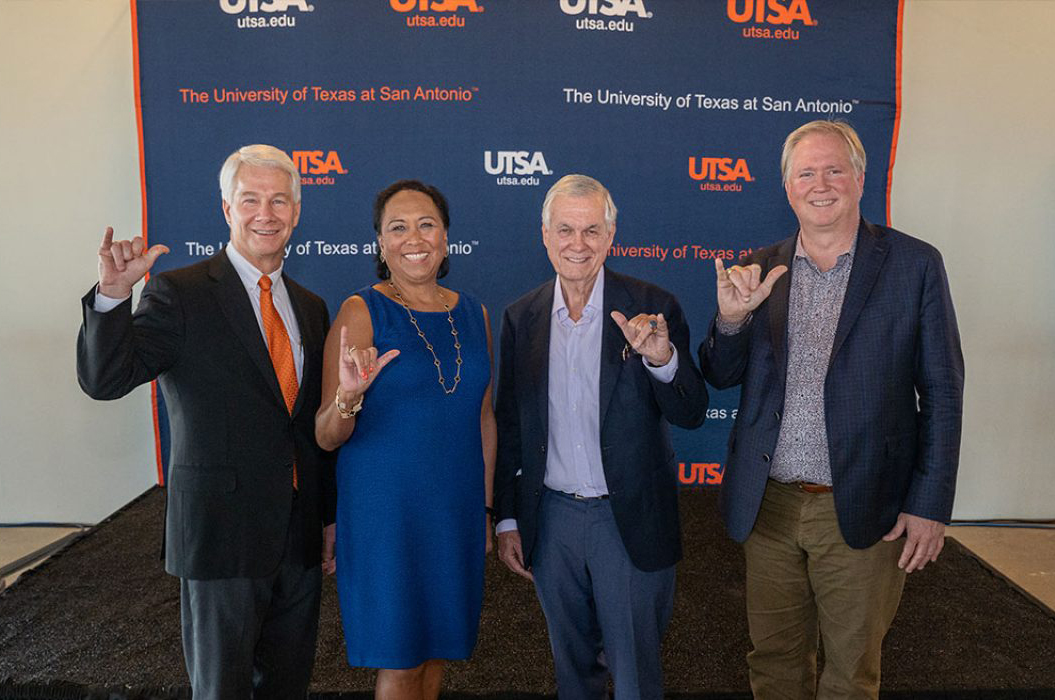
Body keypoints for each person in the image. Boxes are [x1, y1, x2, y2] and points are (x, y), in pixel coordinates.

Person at [699, 119, 964, 698]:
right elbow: (719, 375)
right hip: (768, 506)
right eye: (805, 173)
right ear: (788, 187)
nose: (821, 184)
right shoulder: (760, 267)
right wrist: (732, 320)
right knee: (773, 662)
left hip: (866, 504)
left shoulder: (914, 265)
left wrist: (930, 504)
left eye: (833, 169)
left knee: (850, 671)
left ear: (860, 178)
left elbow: (942, 392)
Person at [76, 144, 335, 699]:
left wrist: (327, 518)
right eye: (250, 199)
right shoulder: (181, 292)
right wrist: (115, 295)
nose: (265, 213)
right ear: (225, 209)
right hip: (220, 536)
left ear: (296, 211)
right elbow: (106, 380)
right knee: (221, 690)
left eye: (279, 200)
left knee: (289, 687)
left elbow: (307, 427)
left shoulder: (312, 307)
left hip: (297, 536)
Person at [493, 174, 709, 699]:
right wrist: (506, 517)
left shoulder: (653, 307)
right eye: (565, 230)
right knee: (574, 675)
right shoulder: (522, 317)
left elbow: (692, 411)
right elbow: (513, 428)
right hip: (553, 522)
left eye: (592, 230)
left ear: (611, 236)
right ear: (544, 235)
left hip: (628, 518)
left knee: (636, 676)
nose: (578, 244)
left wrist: (661, 359)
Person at [314, 180, 496, 700]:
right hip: (385, 517)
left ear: (445, 238)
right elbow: (326, 435)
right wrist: (350, 396)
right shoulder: (361, 312)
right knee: (399, 660)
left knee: (437, 653)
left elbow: (483, 418)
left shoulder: (475, 313)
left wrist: (483, 509)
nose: (413, 237)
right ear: (380, 243)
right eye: (398, 227)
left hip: (455, 513)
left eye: (426, 224)